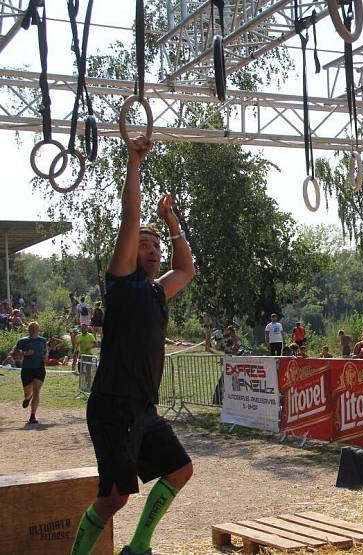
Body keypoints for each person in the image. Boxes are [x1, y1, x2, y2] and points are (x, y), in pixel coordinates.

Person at [71, 135, 195, 555]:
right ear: (129, 251)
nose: (154, 249)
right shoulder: (122, 282)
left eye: (157, 245)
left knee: (180, 469)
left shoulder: (159, 292)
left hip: (142, 408)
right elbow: (130, 216)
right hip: (112, 406)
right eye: (146, 244)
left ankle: (138, 546)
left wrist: (173, 224)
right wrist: (134, 163)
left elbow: (187, 268)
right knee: (114, 498)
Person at [13, 321, 47, 424]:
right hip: (27, 369)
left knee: (37, 392)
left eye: (35, 329)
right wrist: (25, 353)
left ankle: (33, 416)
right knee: (27, 393)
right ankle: (28, 398)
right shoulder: (22, 341)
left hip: (39, 369)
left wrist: (46, 357)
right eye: (31, 329)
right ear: (28, 330)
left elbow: (45, 352)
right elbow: (14, 356)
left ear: (38, 330)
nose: (33, 331)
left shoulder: (43, 341)